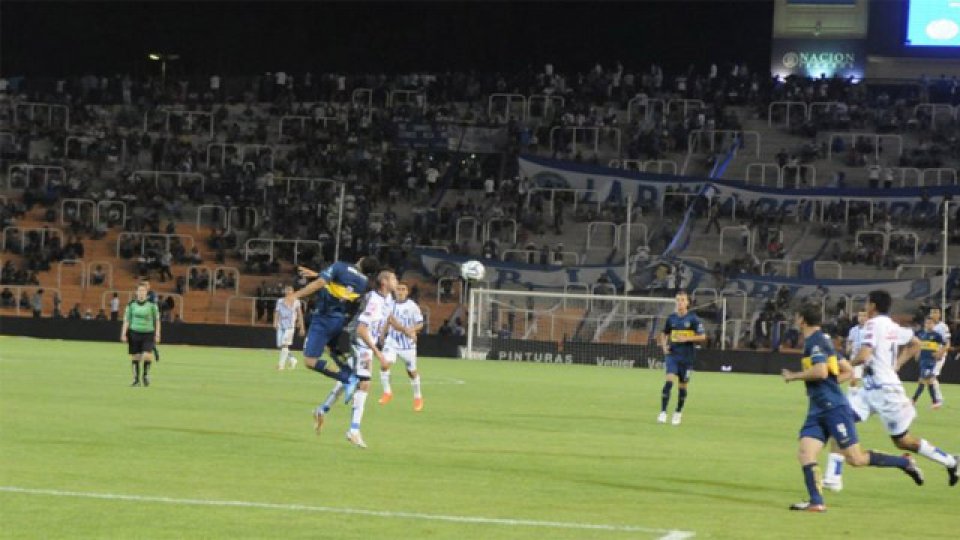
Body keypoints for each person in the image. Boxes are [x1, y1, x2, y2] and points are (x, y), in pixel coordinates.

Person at [782, 305, 923, 513]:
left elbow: (820, 372)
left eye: (797, 316)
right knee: (805, 452)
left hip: (834, 409)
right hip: (818, 408)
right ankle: (816, 502)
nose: (795, 320)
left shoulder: (815, 342)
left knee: (856, 459)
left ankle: (904, 463)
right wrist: (828, 385)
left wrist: (793, 376)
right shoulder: (824, 340)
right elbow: (848, 371)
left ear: (802, 320)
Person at [839, 290, 959, 488]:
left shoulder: (872, 324)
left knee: (903, 441)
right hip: (870, 390)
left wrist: (844, 365)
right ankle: (833, 476)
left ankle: (949, 461)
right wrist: (896, 365)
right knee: (839, 418)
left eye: (867, 303)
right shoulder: (893, 326)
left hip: (886, 393)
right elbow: (915, 343)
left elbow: (864, 355)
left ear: (873, 306)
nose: (865, 308)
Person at [313, 270, 398, 449]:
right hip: (361, 343)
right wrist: (378, 352)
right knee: (365, 383)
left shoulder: (389, 299)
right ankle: (353, 430)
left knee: (348, 378)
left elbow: (385, 319)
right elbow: (361, 329)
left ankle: (322, 409)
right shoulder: (373, 300)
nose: (396, 281)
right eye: (393, 278)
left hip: (368, 342)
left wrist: (381, 337)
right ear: (384, 282)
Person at [288, 256, 381, 404]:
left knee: (310, 361)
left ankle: (348, 378)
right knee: (332, 350)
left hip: (323, 317)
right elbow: (340, 284)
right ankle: (352, 373)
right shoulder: (363, 282)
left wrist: (295, 295)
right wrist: (318, 274)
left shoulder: (340, 266)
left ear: (361, 260)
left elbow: (321, 283)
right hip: (338, 319)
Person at [823, 310, 867, 491]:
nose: (861, 317)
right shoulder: (855, 330)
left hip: (864, 369)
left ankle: (834, 477)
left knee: (855, 454)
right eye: (860, 315)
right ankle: (833, 476)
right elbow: (850, 344)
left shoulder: (871, 331)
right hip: (856, 364)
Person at [657, 291, 706, 425]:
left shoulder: (693, 319)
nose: (680, 302)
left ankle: (678, 412)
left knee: (682, 387)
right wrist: (664, 347)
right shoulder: (671, 318)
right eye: (678, 300)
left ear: (687, 302)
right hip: (673, 356)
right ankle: (663, 412)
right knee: (669, 381)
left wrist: (687, 338)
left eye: (683, 300)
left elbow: (702, 336)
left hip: (687, 358)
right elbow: (664, 333)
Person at [379, 281, 425, 411]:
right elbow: (388, 320)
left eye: (403, 289)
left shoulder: (412, 306)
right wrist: (382, 334)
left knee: (412, 372)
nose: (400, 291)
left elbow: (420, 324)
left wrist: (412, 330)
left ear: (407, 292)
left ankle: (418, 397)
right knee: (384, 364)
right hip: (392, 341)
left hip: (407, 344)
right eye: (398, 289)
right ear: (395, 291)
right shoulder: (390, 304)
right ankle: (387, 392)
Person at [121, 284, 161, 387]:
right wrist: (123, 333)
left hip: (148, 333)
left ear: (146, 293)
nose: (141, 293)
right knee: (136, 357)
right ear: (136, 292)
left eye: (143, 291)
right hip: (134, 333)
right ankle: (136, 380)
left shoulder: (152, 305)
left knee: (147, 355)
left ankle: (146, 375)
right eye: (139, 291)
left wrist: (157, 333)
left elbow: (157, 320)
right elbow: (127, 320)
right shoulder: (131, 305)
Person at [911, 316, 947, 407]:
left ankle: (913, 400)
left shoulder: (936, 335)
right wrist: (917, 353)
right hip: (922, 360)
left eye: (930, 323)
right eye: (927, 323)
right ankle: (935, 401)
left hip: (930, 361)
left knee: (922, 380)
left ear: (934, 325)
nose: (928, 325)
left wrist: (939, 353)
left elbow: (945, 344)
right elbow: (918, 345)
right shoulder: (921, 334)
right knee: (929, 381)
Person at [273, 285, 306, 370]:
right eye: (287, 291)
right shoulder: (280, 301)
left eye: (290, 291)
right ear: (285, 292)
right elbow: (277, 312)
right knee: (280, 345)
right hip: (281, 325)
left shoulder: (296, 302)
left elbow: (300, 314)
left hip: (290, 326)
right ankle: (292, 359)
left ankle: (281, 365)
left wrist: (302, 327)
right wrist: (275, 322)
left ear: (293, 292)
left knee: (284, 344)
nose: (288, 292)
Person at [927, 307, 953, 407]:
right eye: (932, 312)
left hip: (939, 353)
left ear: (939, 314)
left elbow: (948, 343)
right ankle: (936, 399)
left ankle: (938, 399)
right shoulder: (929, 325)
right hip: (930, 354)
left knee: (932, 376)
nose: (934, 314)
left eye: (936, 312)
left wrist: (941, 353)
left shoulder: (943, 327)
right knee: (929, 376)